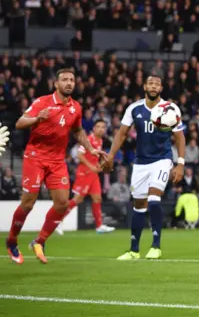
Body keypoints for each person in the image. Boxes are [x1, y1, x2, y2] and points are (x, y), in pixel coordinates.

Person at [6, 68, 106, 264]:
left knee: (62, 203)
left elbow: (77, 131)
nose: (69, 83)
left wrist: (91, 148)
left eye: (72, 80)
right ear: (56, 84)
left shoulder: (75, 107)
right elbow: (19, 123)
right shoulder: (42, 102)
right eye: (65, 80)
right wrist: (37, 119)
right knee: (28, 203)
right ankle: (11, 240)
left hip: (57, 161)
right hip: (35, 157)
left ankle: (39, 241)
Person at [102, 75, 186, 260]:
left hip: (162, 160)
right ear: (144, 86)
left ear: (161, 87)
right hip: (140, 163)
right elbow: (122, 134)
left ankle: (156, 246)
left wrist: (180, 163)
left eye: (157, 83)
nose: (154, 86)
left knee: (154, 198)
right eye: (151, 83)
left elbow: (180, 137)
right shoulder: (134, 108)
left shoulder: (170, 109)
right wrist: (110, 156)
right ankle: (133, 250)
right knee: (139, 205)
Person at [57, 120, 116, 235]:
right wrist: (91, 166)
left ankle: (99, 226)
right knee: (77, 199)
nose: (101, 129)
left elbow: (93, 157)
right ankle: (58, 220)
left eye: (103, 127)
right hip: (84, 173)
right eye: (98, 126)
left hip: (93, 174)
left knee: (97, 198)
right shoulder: (88, 139)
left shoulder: (100, 140)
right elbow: (79, 155)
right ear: (93, 128)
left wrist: (98, 165)